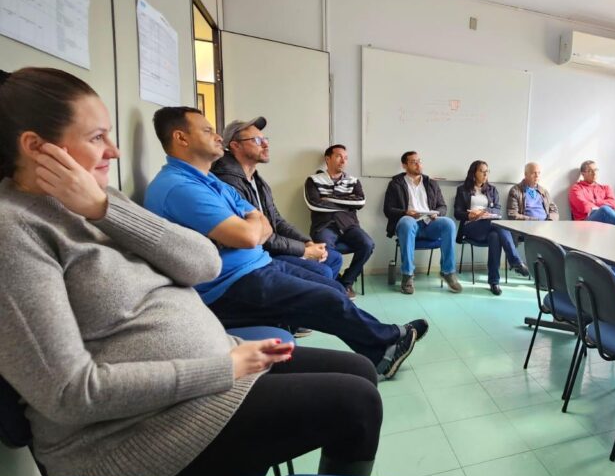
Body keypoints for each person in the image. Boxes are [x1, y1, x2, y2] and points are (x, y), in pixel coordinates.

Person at [0, 67, 382, 476]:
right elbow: (71, 394)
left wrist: (106, 209)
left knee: (360, 370)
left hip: (210, 373)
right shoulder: (13, 231)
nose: (114, 152)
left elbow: (204, 264)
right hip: (139, 433)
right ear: (37, 148)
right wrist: (222, 368)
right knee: (357, 403)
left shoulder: (97, 203)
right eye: (96, 138)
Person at [144, 106, 425, 380]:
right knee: (327, 298)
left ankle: (383, 350)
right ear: (181, 138)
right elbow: (252, 234)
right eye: (207, 131)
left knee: (333, 287)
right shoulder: (181, 187)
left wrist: (260, 226)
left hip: (256, 265)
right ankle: (388, 340)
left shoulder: (210, 181)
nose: (217, 137)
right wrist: (270, 233)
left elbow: (264, 219)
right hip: (229, 284)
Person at [212, 117, 343, 284]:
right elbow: (256, 236)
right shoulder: (227, 182)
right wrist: (305, 250)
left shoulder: (257, 180)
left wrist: (307, 242)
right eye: (257, 140)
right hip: (257, 254)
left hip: (272, 245)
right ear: (235, 145)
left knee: (334, 258)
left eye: (265, 139)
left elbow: (277, 221)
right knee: (323, 272)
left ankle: (320, 297)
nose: (265, 144)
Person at [382, 151, 462, 295]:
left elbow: (442, 206)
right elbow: (388, 209)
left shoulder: (431, 183)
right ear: (404, 165)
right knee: (407, 222)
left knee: (448, 223)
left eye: (419, 161)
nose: (418, 164)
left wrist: (436, 213)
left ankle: (448, 272)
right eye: (413, 162)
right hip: (409, 223)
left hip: (429, 223)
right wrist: (406, 212)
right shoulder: (396, 184)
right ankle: (407, 275)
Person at [305, 143, 375, 297]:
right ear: (328, 159)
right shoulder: (313, 180)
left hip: (349, 225)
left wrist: (328, 198)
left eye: (346, 158)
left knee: (368, 244)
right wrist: (345, 202)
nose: (343, 161)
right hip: (324, 226)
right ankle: (334, 283)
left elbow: (360, 202)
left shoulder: (353, 181)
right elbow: (314, 204)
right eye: (338, 156)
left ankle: (346, 282)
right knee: (327, 252)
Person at [453, 160, 530, 295]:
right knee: (497, 225)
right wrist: (470, 215)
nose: (485, 174)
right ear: (474, 173)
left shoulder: (491, 190)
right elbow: (457, 213)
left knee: (495, 236)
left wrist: (485, 211)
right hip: (471, 227)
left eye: (487, 171)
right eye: (482, 171)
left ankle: (494, 282)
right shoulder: (462, 189)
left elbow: (498, 211)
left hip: (489, 224)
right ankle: (515, 261)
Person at [568, 160, 615, 227]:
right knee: (604, 210)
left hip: (604, 224)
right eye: (590, 171)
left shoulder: (605, 188)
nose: (594, 173)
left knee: (605, 211)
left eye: (596, 170)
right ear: (583, 174)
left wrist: (594, 202)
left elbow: (613, 203)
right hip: (585, 223)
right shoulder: (576, 189)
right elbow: (584, 207)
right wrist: (602, 205)